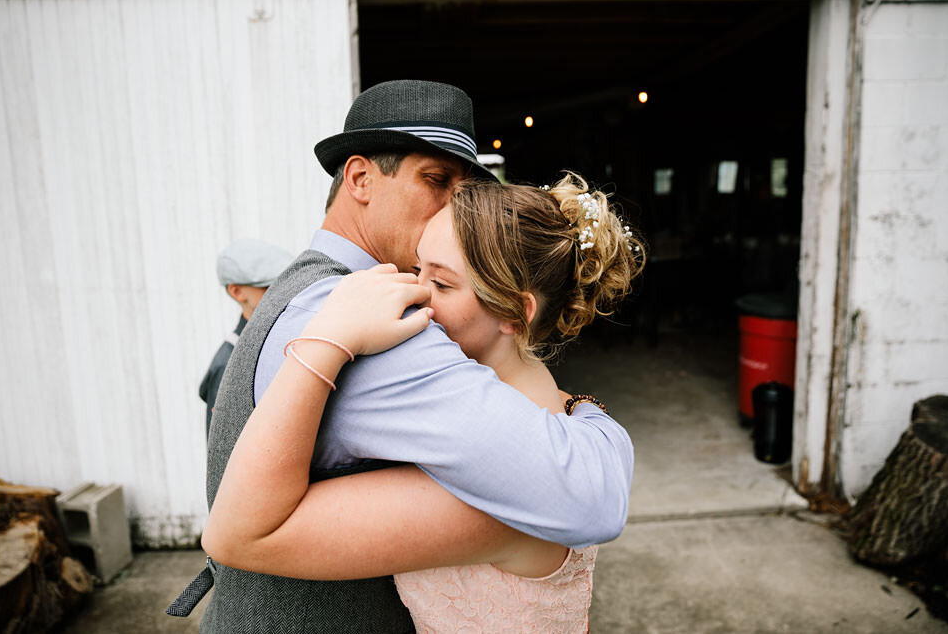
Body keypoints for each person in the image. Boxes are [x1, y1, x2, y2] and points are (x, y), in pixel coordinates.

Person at [168, 80, 635, 632]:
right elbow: (586, 489)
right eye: (436, 180)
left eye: (463, 192)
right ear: (360, 178)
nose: (450, 208)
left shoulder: (310, 288)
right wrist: (589, 416)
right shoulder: (367, 318)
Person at [198, 238, 293, 438]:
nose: (285, 294)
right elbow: (224, 458)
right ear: (237, 291)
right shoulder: (228, 365)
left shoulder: (286, 340)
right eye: (269, 287)